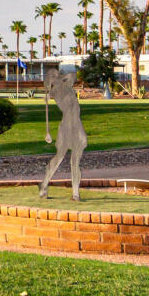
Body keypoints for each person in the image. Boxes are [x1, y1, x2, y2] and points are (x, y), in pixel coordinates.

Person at [40, 66, 86, 200]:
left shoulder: (67, 85)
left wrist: (60, 78)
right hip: (66, 127)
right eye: (54, 76)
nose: (58, 76)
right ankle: (44, 184)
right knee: (60, 157)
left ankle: (75, 193)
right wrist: (52, 84)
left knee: (75, 160)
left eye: (58, 74)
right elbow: (65, 81)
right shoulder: (55, 91)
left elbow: (73, 75)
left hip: (77, 126)